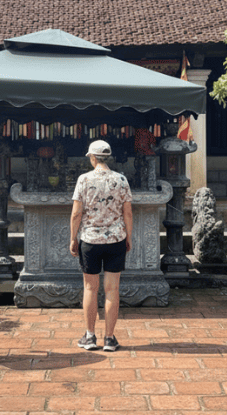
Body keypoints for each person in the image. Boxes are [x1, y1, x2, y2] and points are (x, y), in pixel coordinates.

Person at [69, 139, 133, 352]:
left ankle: (89, 336)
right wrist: (129, 237)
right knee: (112, 289)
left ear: (93, 158)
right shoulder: (121, 180)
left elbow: (77, 212)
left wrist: (73, 238)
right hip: (116, 240)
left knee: (90, 288)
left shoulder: (84, 180)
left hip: (90, 240)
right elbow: (128, 213)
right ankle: (109, 338)